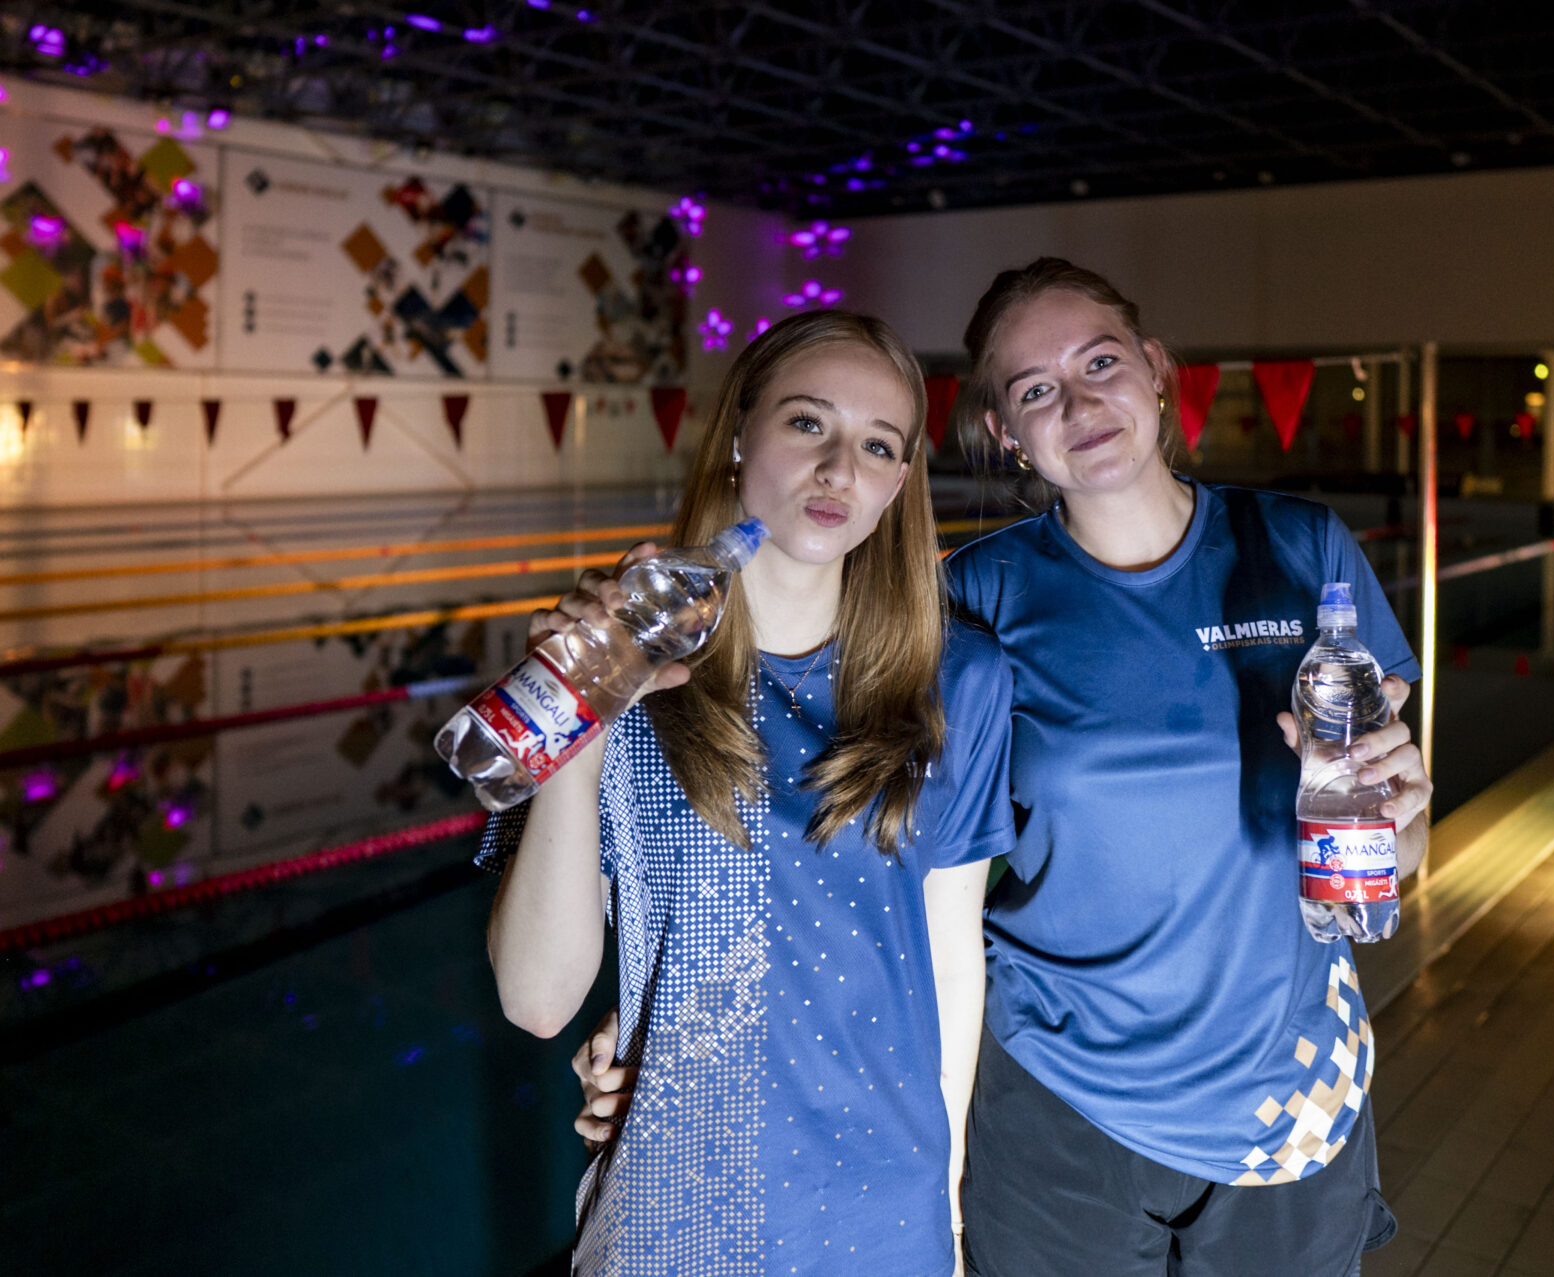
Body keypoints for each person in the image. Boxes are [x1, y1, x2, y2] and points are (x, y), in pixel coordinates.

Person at [573, 260, 1433, 1276]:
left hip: (1287, 1088)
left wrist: (1402, 817)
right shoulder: (974, 599)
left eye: (1100, 363)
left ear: (1157, 370)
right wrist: (670, 996)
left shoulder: (1297, 548)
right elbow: (836, 823)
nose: (1079, 403)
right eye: (1036, 389)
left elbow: (1388, 840)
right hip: (1053, 1103)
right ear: (1005, 431)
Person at [482, 309, 1014, 1277]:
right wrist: (585, 729)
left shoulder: (958, 681)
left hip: (884, 1216)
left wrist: (947, 1216)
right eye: (808, 422)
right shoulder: (623, 666)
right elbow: (537, 999)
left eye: (878, 445)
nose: (839, 469)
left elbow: (948, 970)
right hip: (677, 1211)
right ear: (739, 434)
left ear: (899, 483)